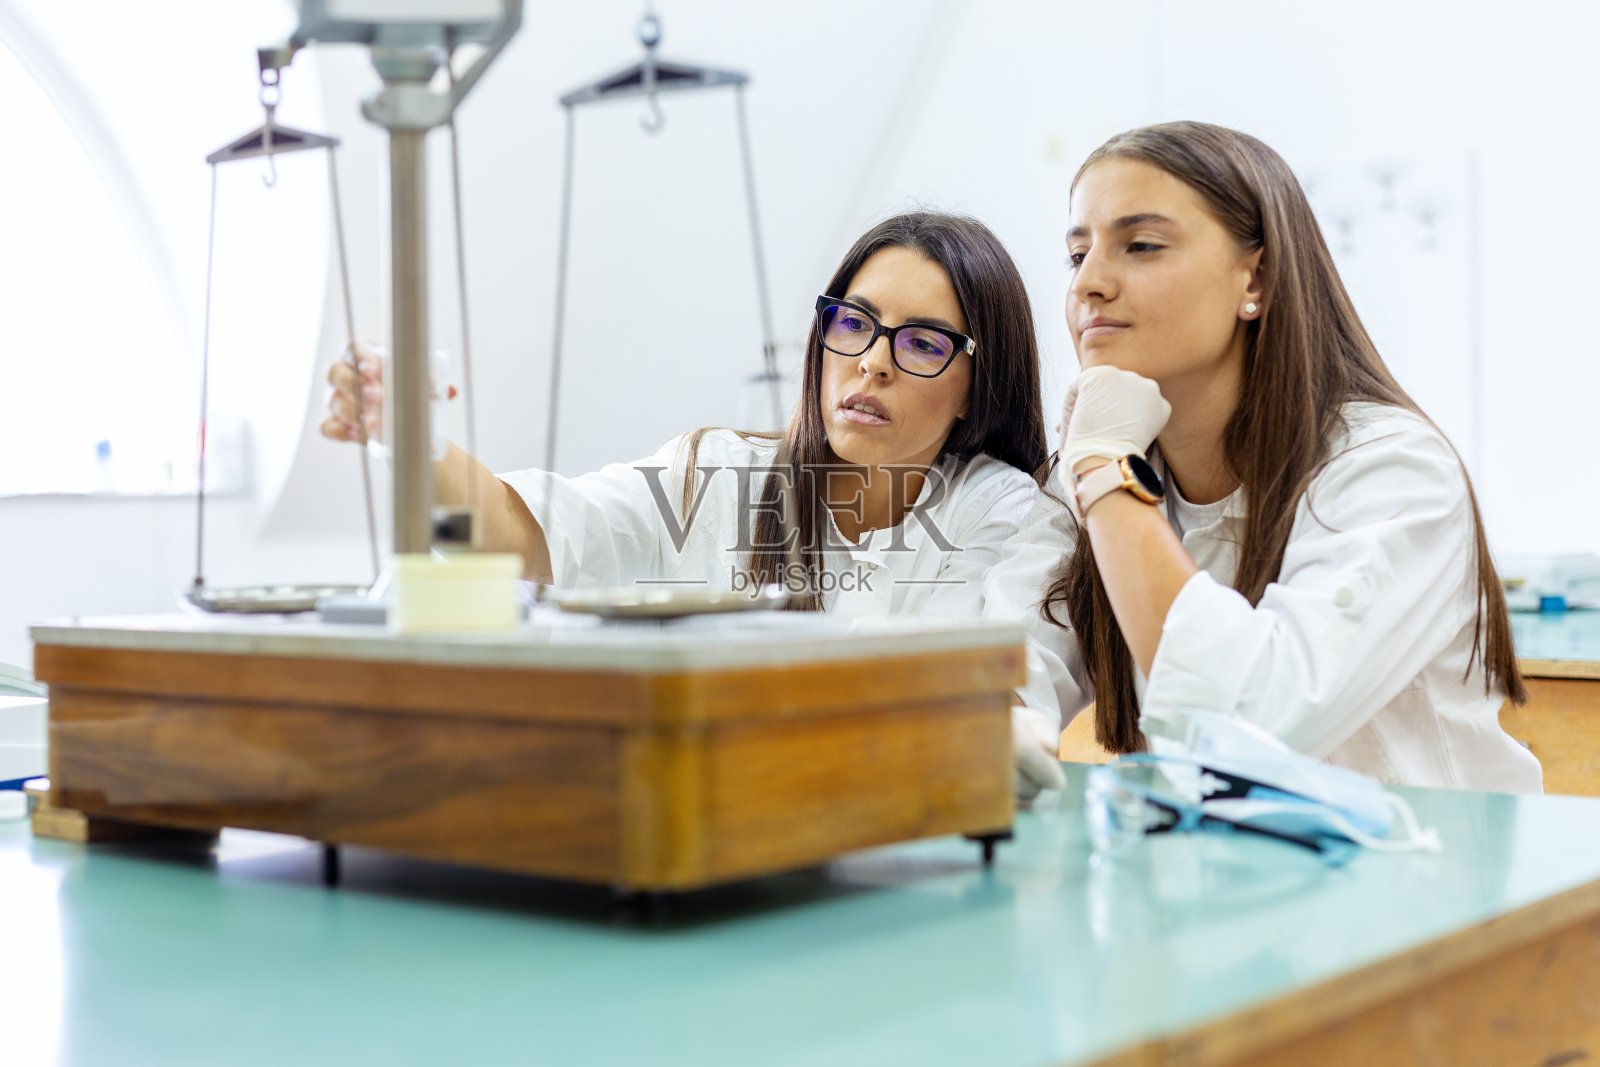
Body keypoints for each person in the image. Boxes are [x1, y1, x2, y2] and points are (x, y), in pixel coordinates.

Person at [988, 121, 1541, 800]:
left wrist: (1105, 471)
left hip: (1429, 860)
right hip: (1231, 859)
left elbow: (1251, 723)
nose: (1089, 284)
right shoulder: (1090, 468)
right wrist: (993, 721)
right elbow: (1007, 659)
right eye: (1078, 254)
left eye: (1141, 245)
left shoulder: (1393, 468)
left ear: (1257, 277)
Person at [323, 211, 1049, 622]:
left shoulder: (998, 509)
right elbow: (522, 533)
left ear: (976, 386)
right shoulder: (715, 476)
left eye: (922, 343)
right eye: (854, 323)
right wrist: (411, 436)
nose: (872, 362)